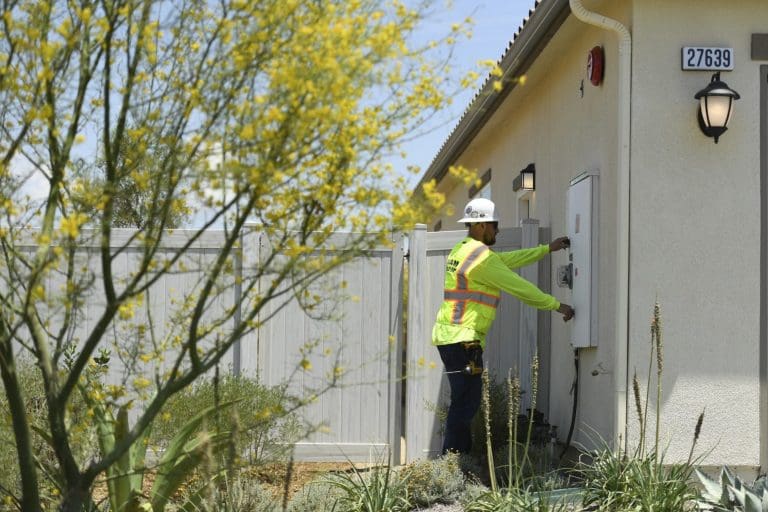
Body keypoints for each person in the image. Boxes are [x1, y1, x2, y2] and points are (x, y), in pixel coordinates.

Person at [432, 197, 574, 455]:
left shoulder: (463, 250)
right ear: (482, 225)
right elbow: (520, 287)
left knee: (464, 404)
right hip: (463, 340)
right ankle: (453, 462)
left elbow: (508, 260)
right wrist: (557, 305)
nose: (498, 230)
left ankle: (454, 461)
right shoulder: (482, 259)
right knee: (465, 406)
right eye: (495, 225)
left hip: (450, 337)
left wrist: (545, 250)